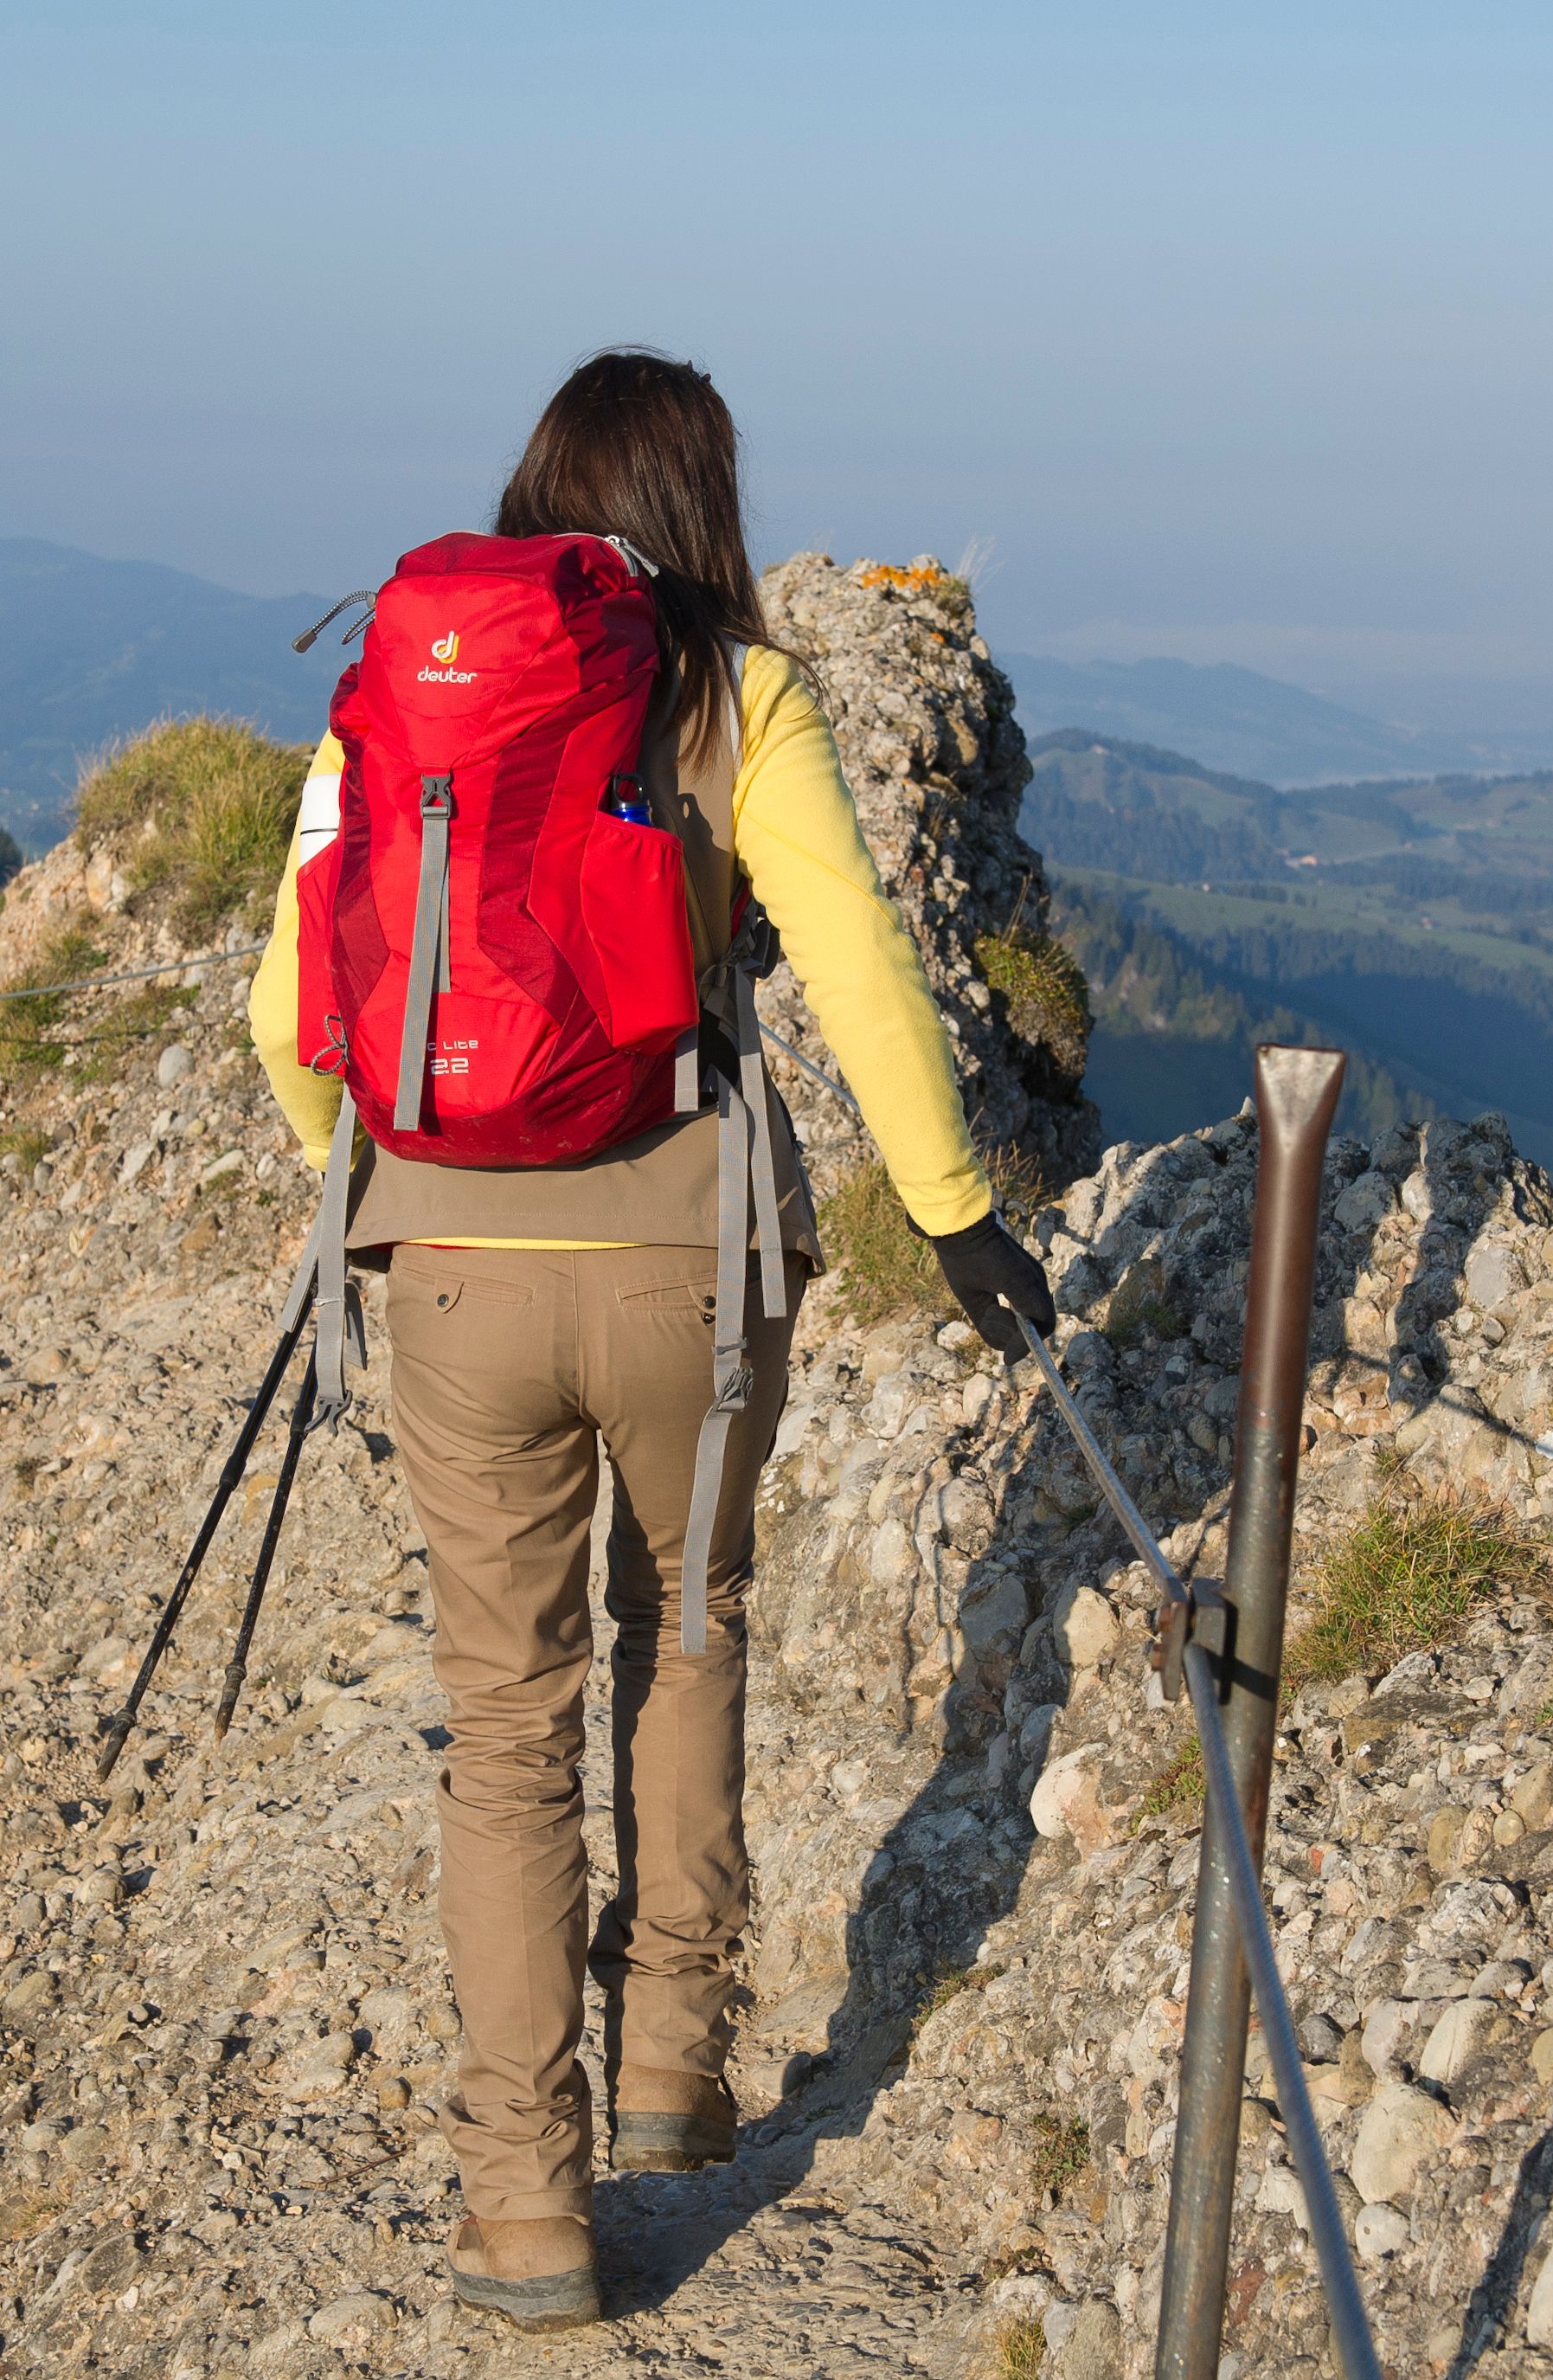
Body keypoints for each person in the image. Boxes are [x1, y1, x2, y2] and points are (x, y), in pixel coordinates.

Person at [245, 349, 1056, 2332]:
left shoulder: (404, 693)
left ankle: (527, 2208)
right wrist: (953, 1216)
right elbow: (858, 969)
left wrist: (393, 1197)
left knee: (498, 1730)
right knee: (684, 1623)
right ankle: (678, 2071)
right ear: (700, 500)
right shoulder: (729, 691)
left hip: (443, 1266)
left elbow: (288, 1007)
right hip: (684, 1254)